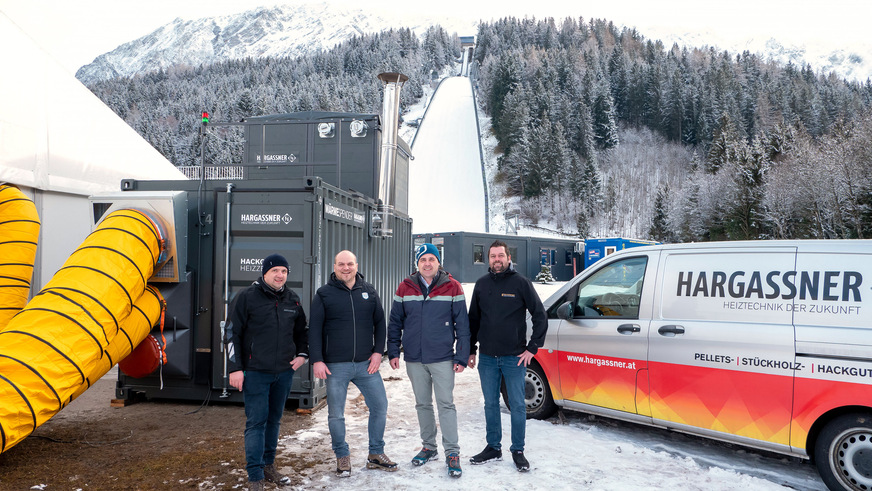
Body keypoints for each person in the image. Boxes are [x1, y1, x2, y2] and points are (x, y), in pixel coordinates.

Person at [308, 250, 397, 477]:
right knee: (336, 414)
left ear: (356, 265)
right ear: (335, 266)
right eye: (341, 264)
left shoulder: (369, 291)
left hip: (367, 364)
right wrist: (317, 359)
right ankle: (342, 456)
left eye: (349, 264)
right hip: (336, 366)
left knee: (379, 406)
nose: (345, 268)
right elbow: (314, 330)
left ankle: (376, 453)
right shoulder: (324, 294)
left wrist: (378, 353)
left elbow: (380, 324)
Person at [226, 254, 309, 490]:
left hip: (283, 373)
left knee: (274, 420)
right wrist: (236, 368)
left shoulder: (292, 299)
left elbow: (302, 331)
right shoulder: (247, 297)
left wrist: (303, 355)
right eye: (275, 271)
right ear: (264, 273)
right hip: (254, 373)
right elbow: (232, 333)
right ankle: (255, 476)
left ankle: (268, 466)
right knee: (256, 422)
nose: (280, 275)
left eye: (283, 271)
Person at [387, 243, 470, 478]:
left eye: (432, 259)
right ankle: (429, 447)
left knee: (446, 405)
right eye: (423, 259)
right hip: (414, 358)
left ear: (438, 262)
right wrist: (393, 351)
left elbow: (462, 325)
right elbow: (395, 322)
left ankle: (452, 452)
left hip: (443, 357)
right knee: (422, 404)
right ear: (417, 263)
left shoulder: (452, 287)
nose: (427, 263)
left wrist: (461, 356)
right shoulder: (405, 287)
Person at [467, 240, 547, 472]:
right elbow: (473, 320)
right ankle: (493, 447)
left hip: (514, 358)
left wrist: (532, 347)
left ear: (508, 258)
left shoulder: (521, 283)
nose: (497, 260)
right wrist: (471, 349)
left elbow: (540, 315)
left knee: (517, 406)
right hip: (488, 358)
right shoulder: (481, 285)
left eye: (500, 255)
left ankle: (518, 449)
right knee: (490, 404)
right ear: (489, 259)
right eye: (493, 256)